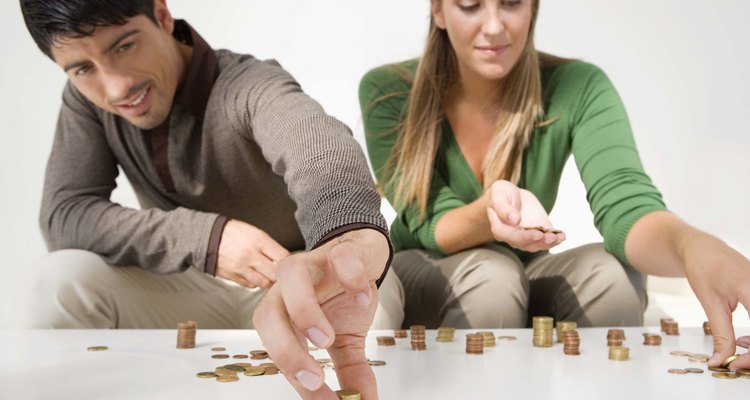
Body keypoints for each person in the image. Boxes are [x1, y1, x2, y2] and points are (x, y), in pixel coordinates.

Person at [19, 0, 397, 398]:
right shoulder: (87, 102)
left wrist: (347, 237)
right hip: (190, 294)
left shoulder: (246, 83)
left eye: (124, 46)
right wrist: (208, 239)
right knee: (55, 283)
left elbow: (318, 148)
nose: (115, 87)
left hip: (304, 287)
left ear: (162, 16)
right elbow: (65, 214)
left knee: (367, 296)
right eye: (82, 69)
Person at [359, 0, 750, 370]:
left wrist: (693, 246)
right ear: (439, 10)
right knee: (492, 277)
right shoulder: (388, 90)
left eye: (512, 2)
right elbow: (430, 221)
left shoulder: (579, 85)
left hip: (521, 274)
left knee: (612, 277)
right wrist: (491, 207)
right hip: (430, 270)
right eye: (470, 4)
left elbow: (626, 204)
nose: (494, 27)